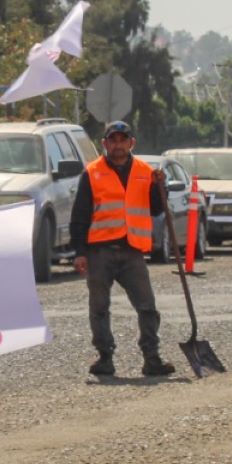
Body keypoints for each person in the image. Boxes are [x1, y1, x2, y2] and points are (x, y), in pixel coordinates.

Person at [70, 120, 173, 378]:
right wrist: (80, 252)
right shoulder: (92, 173)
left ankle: (152, 358)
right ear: (104, 144)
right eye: (113, 140)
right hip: (99, 252)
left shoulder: (145, 171)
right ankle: (105, 357)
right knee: (99, 308)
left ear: (131, 143)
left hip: (132, 251)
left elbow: (157, 208)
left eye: (122, 140)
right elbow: (79, 216)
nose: (118, 145)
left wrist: (162, 187)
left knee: (147, 307)